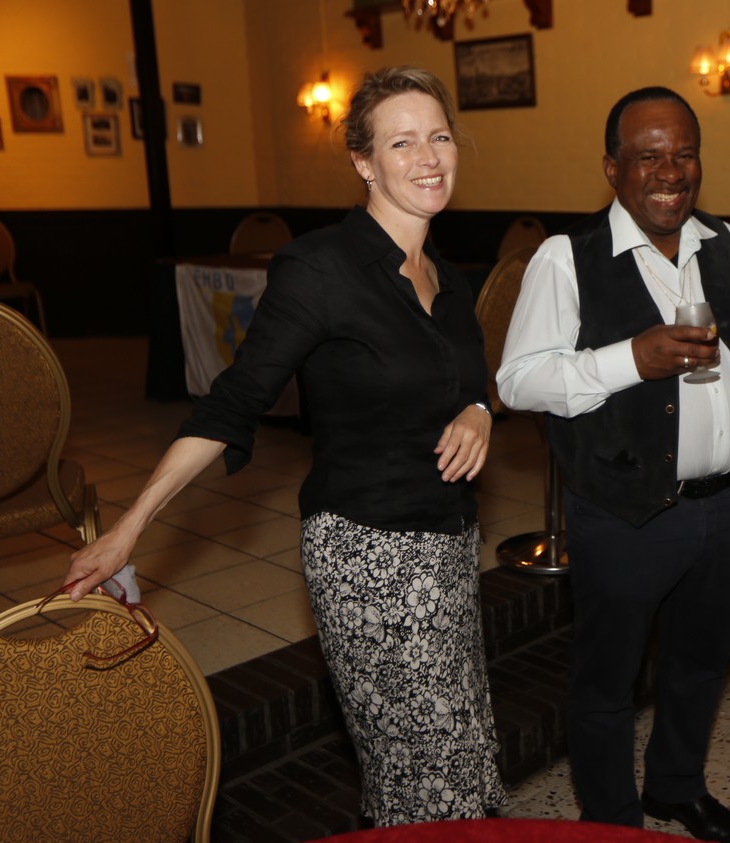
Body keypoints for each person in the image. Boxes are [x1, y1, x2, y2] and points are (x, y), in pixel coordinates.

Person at [62, 66, 508, 825]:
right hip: (368, 553)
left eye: (439, 137)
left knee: (463, 750)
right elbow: (232, 401)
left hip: (451, 543)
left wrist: (478, 410)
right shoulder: (319, 268)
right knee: (422, 777)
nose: (429, 157)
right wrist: (131, 526)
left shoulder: (449, 276)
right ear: (364, 161)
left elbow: (470, 382)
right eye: (402, 142)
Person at [497, 86, 730, 842]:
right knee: (607, 682)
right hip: (626, 512)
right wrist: (632, 358)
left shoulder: (727, 245)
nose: (670, 172)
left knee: (701, 660)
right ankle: (611, 824)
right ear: (613, 168)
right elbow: (518, 381)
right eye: (649, 156)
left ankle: (675, 787)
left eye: (684, 154)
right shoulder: (566, 258)